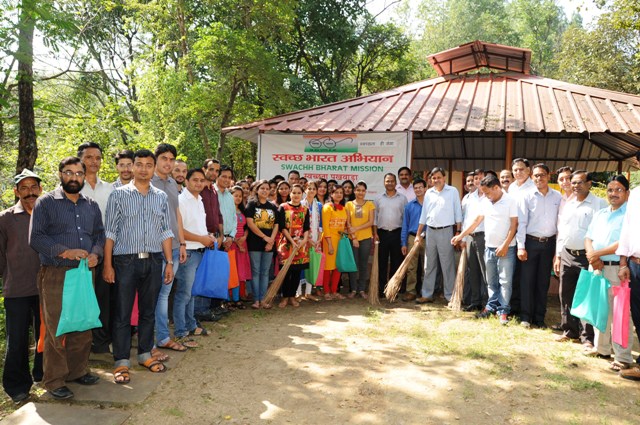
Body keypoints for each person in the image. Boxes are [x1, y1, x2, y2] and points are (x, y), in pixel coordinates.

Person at [30, 156, 105, 399]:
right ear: (60, 174)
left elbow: (100, 235)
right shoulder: (46, 203)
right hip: (56, 273)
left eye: (78, 173)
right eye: (69, 172)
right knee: (57, 327)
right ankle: (54, 380)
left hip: (85, 272)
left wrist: (96, 254)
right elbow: (36, 238)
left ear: (85, 176)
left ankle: (77, 371)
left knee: (83, 322)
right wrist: (65, 251)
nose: (74, 177)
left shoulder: (91, 205)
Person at [103, 149, 174, 384]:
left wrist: (169, 262)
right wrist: (108, 264)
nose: (144, 169)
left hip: (154, 260)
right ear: (132, 167)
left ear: (154, 168)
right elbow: (110, 232)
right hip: (125, 261)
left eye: (148, 165)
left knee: (148, 311)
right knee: (122, 314)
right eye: (139, 164)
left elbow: (165, 231)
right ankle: (121, 361)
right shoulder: (118, 195)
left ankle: (145, 354)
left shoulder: (160, 197)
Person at [1, 170, 44, 404]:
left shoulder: (47, 215)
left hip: (45, 288)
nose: (30, 192)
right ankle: (16, 385)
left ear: (40, 190)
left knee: (45, 336)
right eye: (24, 188)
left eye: (33, 187)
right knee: (17, 339)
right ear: (16, 192)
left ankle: (42, 374)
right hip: (16, 289)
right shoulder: (5, 219)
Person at [452, 175, 518, 325]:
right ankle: (490, 307)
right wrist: (461, 235)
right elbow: (476, 221)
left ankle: (503, 311)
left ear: (496, 187)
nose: (486, 196)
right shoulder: (486, 202)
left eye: (487, 192)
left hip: (506, 249)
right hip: (489, 248)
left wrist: (505, 245)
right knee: (491, 281)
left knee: (505, 282)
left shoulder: (510, 201)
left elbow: (514, 225)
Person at [584, 175, 633, 369]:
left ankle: (623, 357)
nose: (613, 193)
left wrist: (597, 254)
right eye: (610, 190)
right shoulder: (601, 213)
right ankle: (602, 348)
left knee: (620, 314)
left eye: (618, 189)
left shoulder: (630, 214)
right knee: (600, 309)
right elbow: (588, 237)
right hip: (597, 267)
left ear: (627, 192)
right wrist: (592, 256)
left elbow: (624, 242)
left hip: (617, 269)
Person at [553, 171, 607, 345]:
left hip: (587, 256)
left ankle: (587, 338)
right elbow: (563, 231)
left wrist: (597, 255)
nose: (575, 185)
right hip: (567, 254)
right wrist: (558, 255)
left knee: (585, 295)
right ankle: (570, 331)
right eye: (573, 182)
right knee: (565, 293)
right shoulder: (568, 204)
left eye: (580, 182)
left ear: (589, 183)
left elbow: (602, 232)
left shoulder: (599, 204)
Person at [151, 143, 189, 352]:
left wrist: (182, 243)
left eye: (171, 159)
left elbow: (177, 215)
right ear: (156, 159)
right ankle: (152, 340)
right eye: (164, 158)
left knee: (164, 294)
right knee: (152, 294)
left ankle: (163, 337)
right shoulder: (148, 181)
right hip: (154, 248)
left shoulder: (173, 183)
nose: (168, 163)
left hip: (174, 247)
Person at [77, 142, 114, 355]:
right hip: (79, 252)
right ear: (80, 160)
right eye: (89, 157)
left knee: (103, 297)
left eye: (98, 158)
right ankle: (81, 345)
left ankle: (100, 343)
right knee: (80, 298)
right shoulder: (72, 188)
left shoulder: (109, 189)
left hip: (105, 250)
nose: (94, 161)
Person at [516, 164, 562, 328]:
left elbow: (560, 224)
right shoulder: (526, 196)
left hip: (549, 244)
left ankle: (539, 318)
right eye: (535, 175)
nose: (539, 178)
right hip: (530, 243)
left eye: (542, 175)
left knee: (543, 282)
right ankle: (526, 317)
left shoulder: (558, 197)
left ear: (549, 176)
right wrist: (521, 246)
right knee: (527, 281)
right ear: (532, 177)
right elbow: (521, 223)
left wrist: (557, 250)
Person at [173, 168, 215, 343]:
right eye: (195, 180)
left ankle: (190, 325)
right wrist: (201, 239)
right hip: (188, 252)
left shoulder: (200, 200)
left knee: (192, 293)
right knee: (184, 294)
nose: (198, 183)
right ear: (187, 181)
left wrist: (208, 237)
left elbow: (198, 226)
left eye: (201, 180)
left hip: (200, 251)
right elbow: (178, 230)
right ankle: (180, 330)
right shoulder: (180, 200)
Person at [415, 167, 462, 303]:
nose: (436, 180)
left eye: (438, 177)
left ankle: (450, 296)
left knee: (447, 265)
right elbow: (424, 214)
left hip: (446, 231)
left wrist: (458, 231)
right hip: (430, 231)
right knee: (429, 264)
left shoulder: (452, 191)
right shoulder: (429, 193)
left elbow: (458, 212)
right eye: (433, 178)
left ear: (444, 178)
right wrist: (418, 234)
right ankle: (427, 294)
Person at [616, 152, 640, 380]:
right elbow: (627, 230)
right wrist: (623, 262)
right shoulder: (637, 194)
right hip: (635, 264)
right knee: (638, 313)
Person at [195, 159, 224, 322]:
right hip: (201, 238)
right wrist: (205, 236)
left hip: (214, 238)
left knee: (209, 274)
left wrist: (221, 235)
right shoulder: (198, 189)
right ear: (203, 169)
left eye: (217, 170)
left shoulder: (213, 190)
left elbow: (218, 214)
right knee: (201, 274)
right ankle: (199, 310)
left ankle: (205, 309)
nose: (214, 173)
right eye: (211, 169)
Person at [245, 179, 280, 309]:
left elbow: (276, 225)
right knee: (255, 272)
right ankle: (256, 300)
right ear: (257, 190)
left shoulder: (273, 206)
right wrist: (264, 237)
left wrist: (271, 240)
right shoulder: (251, 204)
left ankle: (263, 299)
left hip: (269, 244)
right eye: (262, 188)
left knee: (265, 272)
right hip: (254, 243)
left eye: (267, 188)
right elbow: (250, 224)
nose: (265, 191)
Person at [277, 184, 310, 308]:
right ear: (290, 193)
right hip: (286, 243)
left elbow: (306, 227)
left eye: (299, 193)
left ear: (302, 194)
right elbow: (282, 227)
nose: (296, 195)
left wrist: (304, 240)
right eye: (294, 192)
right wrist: (291, 241)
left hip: (300, 245)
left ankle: (292, 296)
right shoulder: (283, 207)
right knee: (286, 272)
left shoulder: (305, 209)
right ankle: (284, 297)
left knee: (296, 272)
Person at [374, 173, 407, 298]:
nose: (390, 183)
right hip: (382, 234)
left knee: (396, 263)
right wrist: (375, 233)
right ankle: (382, 289)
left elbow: (405, 219)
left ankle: (393, 290)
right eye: (387, 181)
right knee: (381, 263)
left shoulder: (402, 198)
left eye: (392, 181)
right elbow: (375, 218)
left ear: (395, 183)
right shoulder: (378, 198)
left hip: (397, 233)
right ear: (384, 182)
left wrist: (403, 237)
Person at [460, 171, 486, 311]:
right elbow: (466, 219)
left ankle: (487, 303)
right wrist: (464, 238)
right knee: (473, 270)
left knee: (485, 271)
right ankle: (475, 301)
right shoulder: (469, 197)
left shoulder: (489, 196)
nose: (478, 181)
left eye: (481, 178)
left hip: (484, 237)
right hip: (470, 237)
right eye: (476, 178)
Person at [346, 181, 376, 299]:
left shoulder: (370, 204)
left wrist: (357, 228)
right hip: (352, 238)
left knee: (363, 264)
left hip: (366, 238)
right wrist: (354, 237)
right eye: (358, 190)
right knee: (353, 265)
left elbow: (371, 222)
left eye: (363, 190)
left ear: (365, 192)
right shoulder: (349, 204)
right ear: (354, 191)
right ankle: (353, 289)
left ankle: (362, 289)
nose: (360, 192)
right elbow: (348, 223)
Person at [400, 179, 426, 301]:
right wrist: (403, 243)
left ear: (425, 189)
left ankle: (425, 292)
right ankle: (411, 291)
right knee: (411, 267)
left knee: (427, 266)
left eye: (420, 187)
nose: (418, 190)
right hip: (412, 238)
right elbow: (405, 225)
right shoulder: (409, 206)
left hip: (427, 238)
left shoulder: (430, 205)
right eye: (415, 188)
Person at [322, 185, 348, 300]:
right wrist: (330, 244)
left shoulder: (343, 208)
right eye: (336, 192)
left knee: (338, 266)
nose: (339, 194)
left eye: (341, 192)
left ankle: (334, 291)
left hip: (340, 241)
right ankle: (326, 291)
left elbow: (344, 226)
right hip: (329, 240)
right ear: (331, 194)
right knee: (328, 267)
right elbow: (326, 227)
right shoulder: (327, 207)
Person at [299, 180, 323, 301]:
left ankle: (308, 292)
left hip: (315, 239)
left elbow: (321, 224)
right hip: (302, 239)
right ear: (305, 190)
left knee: (312, 265)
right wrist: (307, 239)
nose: (311, 191)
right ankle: (298, 293)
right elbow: (299, 224)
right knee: (300, 264)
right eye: (309, 188)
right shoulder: (300, 204)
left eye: (314, 189)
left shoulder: (319, 205)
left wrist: (318, 239)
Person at [230, 185, 251, 305]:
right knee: (232, 271)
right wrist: (237, 242)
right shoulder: (227, 211)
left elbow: (246, 227)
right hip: (231, 244)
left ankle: (238, 297)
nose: (238, 198)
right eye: (235, 195)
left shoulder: (243, 211)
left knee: (240, 271)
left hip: (243, 244)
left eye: (240, 196)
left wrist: (244, 237)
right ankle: (230, 298)